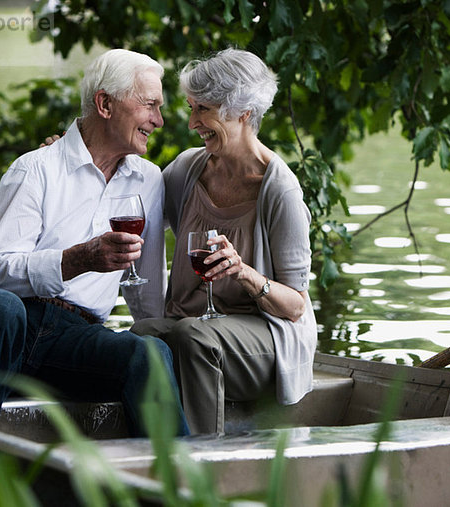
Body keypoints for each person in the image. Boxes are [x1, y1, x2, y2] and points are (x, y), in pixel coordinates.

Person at [0, 49, 189, 438]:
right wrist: (77, 259)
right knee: (1, 308)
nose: (158, 120)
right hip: (2, 324)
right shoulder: (35, 167)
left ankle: (182, 488)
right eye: (149, 105)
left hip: (73, 339)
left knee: (150, 355)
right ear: (105, 104)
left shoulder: (149, 180)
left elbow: (147, 289)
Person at [131, 48, 318, 434]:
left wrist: (245, 273)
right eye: (191, 108)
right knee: (141, 336)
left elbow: (295, 307)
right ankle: (150, 454)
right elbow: (128, 199)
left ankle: (201, 461)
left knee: (193, 335)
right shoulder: (187, 170)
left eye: (203, 109)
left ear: (243, 112)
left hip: (265, 342)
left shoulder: (279, 190)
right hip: (194, 329)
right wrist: (70, 155)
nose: (192, 122)